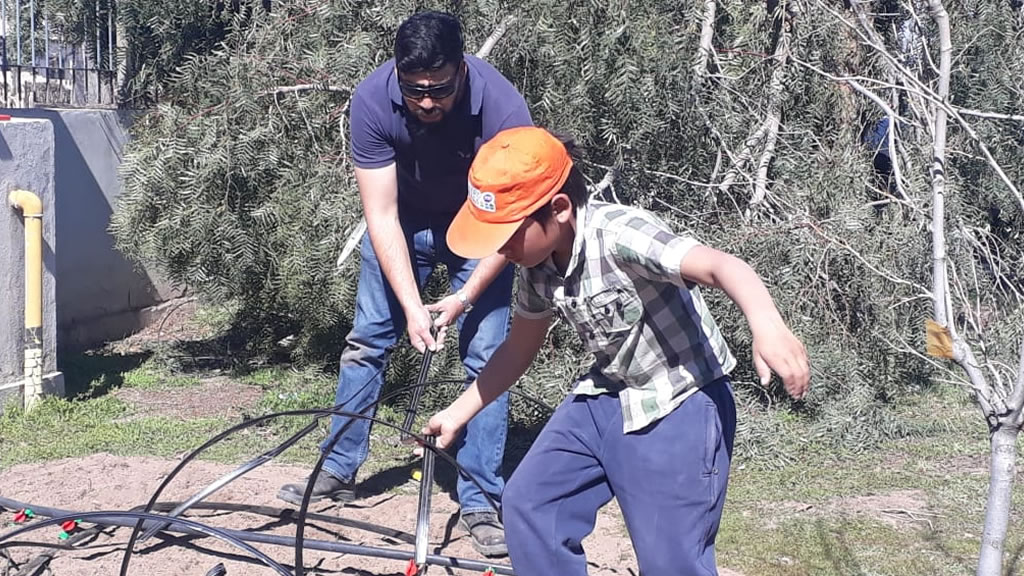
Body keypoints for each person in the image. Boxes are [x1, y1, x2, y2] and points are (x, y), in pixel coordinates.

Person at [421, 126, 811, 574]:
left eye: (508, 233)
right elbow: (518, 348)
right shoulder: (535, 264)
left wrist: (768, 326)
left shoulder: (622, 233)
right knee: (532, 504)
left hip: (681, 399)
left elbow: (723, 266)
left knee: (670, 561)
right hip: (608, 393)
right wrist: (457, 413)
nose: (498, 248)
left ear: (560, 209)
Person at [277, 11, 532, 558]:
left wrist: (463, 298)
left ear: (461, 70)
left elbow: (511, 225)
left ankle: (482, 499)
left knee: (488, 354)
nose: (425, 103)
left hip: (482, 225)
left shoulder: (505, 110)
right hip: (405, 224)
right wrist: (414, 309)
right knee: (368, 341)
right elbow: (382, 215)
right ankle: (338, 470)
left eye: (438, 90)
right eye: (414, 91)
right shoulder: (372, 100)